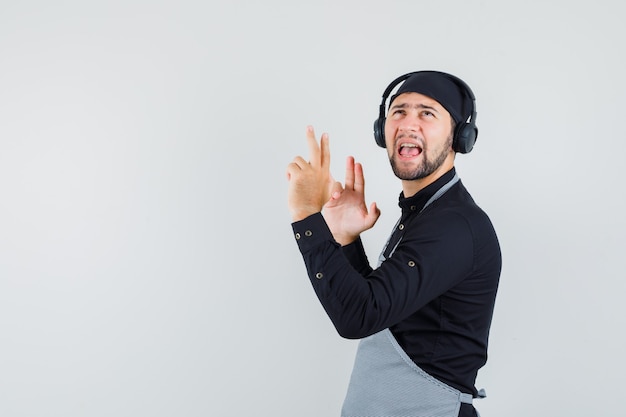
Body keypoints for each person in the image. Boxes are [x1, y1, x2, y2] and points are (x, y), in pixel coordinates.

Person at [286, 70, 501, 417]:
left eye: (427, 113)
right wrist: (345, 238)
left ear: (459, 137)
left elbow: (357, 318)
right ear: (381, 130)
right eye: (398, 111)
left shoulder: (455, 225)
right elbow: (383, 309)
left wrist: (306, 216)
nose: (408, 123)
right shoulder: (425, 213)